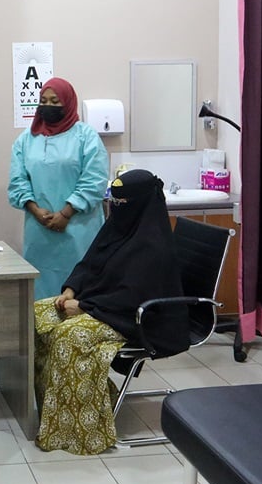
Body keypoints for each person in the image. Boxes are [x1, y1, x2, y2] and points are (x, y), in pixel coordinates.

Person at [32, 169, 188, 454]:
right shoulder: (117, 228)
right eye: (113, 202)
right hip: (104, 305)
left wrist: (84, 307)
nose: (117, 209)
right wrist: (70, 290)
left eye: (122, 203)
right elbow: (91, 263)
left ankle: (79, 433)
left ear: (138, 204)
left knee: (71, 336)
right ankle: (54, 411)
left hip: (137, 318)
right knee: (38, 314)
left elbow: (132, 297)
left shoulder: (152, 245)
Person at [7, 77, 109, 300]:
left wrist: (66, 213)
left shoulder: (86, 137)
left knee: (79, 290)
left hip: (79, 229)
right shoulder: (27, 139)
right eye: (43, 101)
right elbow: (18, 180)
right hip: (40, 230)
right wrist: (35, 209)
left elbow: (94, 180)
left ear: (68, 103)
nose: (48, 106)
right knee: (40, 292)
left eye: (55, 101)